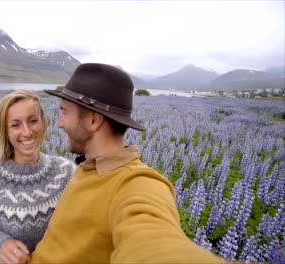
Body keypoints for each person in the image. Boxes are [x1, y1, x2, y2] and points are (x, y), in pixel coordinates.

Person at [30, 63, 225, 263]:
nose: (59, 123)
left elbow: (154, 243)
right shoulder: (89, 165)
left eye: (64, 112)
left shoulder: (137, 183)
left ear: (94, 121)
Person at [0, 89, 75, 264]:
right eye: (15, 125)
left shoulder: (66, 172)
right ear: (4, 131)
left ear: (43, 122)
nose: (27, 132)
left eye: (33, 120)